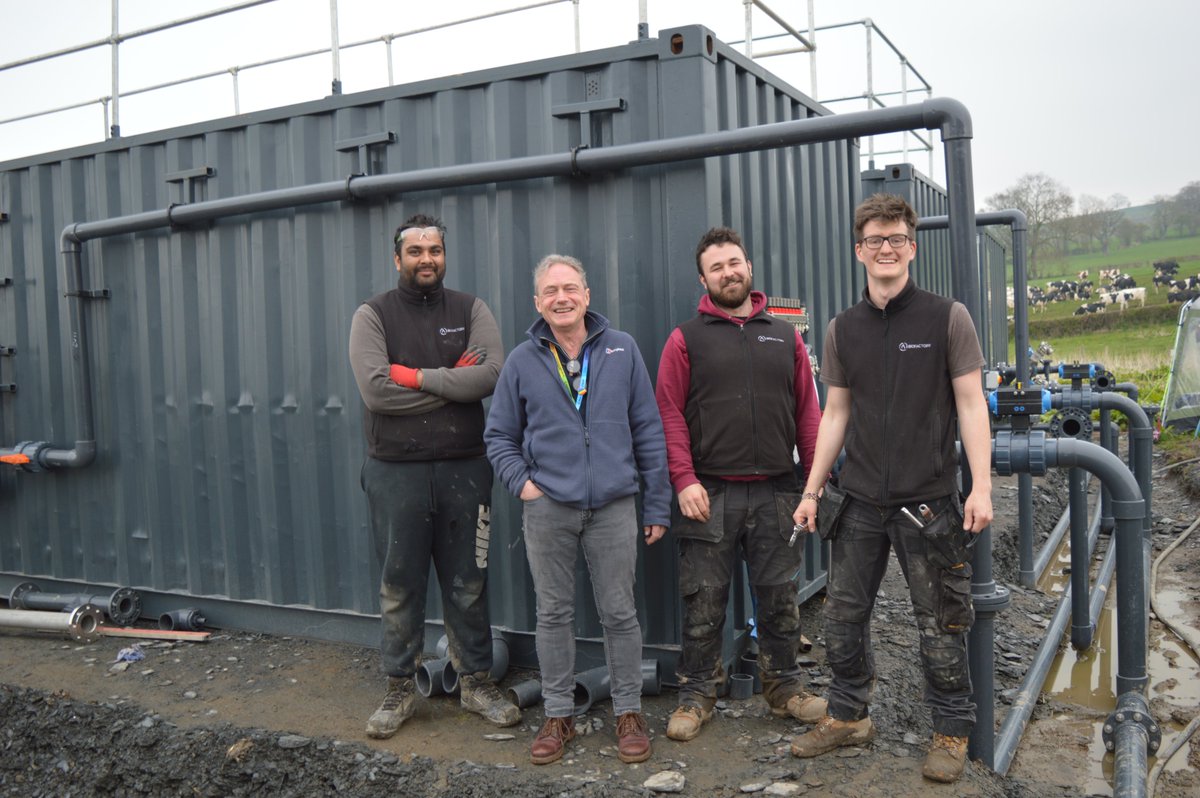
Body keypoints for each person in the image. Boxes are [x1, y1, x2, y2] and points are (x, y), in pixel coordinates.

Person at [789, 193, 993, 784]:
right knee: (844, 619)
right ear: (860, 251)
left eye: (896, 238)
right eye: (875, 239)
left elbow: (971, 403)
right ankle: (849, 716)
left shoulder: (946, 317)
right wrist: (811, 490)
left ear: (911, 246)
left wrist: (980, 486)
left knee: (941, 619)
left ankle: (952, 731)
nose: (886, 248)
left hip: (928, 499)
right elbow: (835, 415)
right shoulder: (842, 329)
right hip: (857, 502)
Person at [484, 254, 671, 766]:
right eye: (550, 291)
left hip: (613, 505)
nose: (561, 298)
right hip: (548, 508)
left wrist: (656, 502)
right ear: (538, 303)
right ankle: (559, 713)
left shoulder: (622, 349)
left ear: (587, 295)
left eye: (570, 288)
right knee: (553, 614)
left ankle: (629, 712)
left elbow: (648, 431)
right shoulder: (523, 361)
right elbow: (498, 436)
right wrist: (524, 486)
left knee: (619, 613)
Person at [348, 213, 520, 739]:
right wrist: (453, 380)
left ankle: (475, 682)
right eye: (416, 251)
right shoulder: (372, 315)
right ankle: (400, 687)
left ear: (445, 255)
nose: (427, 259)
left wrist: (414, 376)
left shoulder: (471, 309)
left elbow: (490, 374)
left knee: (469, 581)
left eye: (435, 250)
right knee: (399, 584)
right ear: (397, 258)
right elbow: (377, 390)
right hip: (394, 471)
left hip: (466, 468)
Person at [655, 226, 824, 742]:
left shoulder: (785, 334)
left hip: (777, 489)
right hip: (710, 492)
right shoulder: (686, 339)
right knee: (704, 601)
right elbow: (669, 414)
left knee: (779, 596)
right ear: (703, 279)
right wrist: (682, 479)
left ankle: (784, 687)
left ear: (748, 268)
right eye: (716, 266)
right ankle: (697, 694)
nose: (728, 272)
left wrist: (813, 488)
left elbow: (809, 414)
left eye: (735, 262)